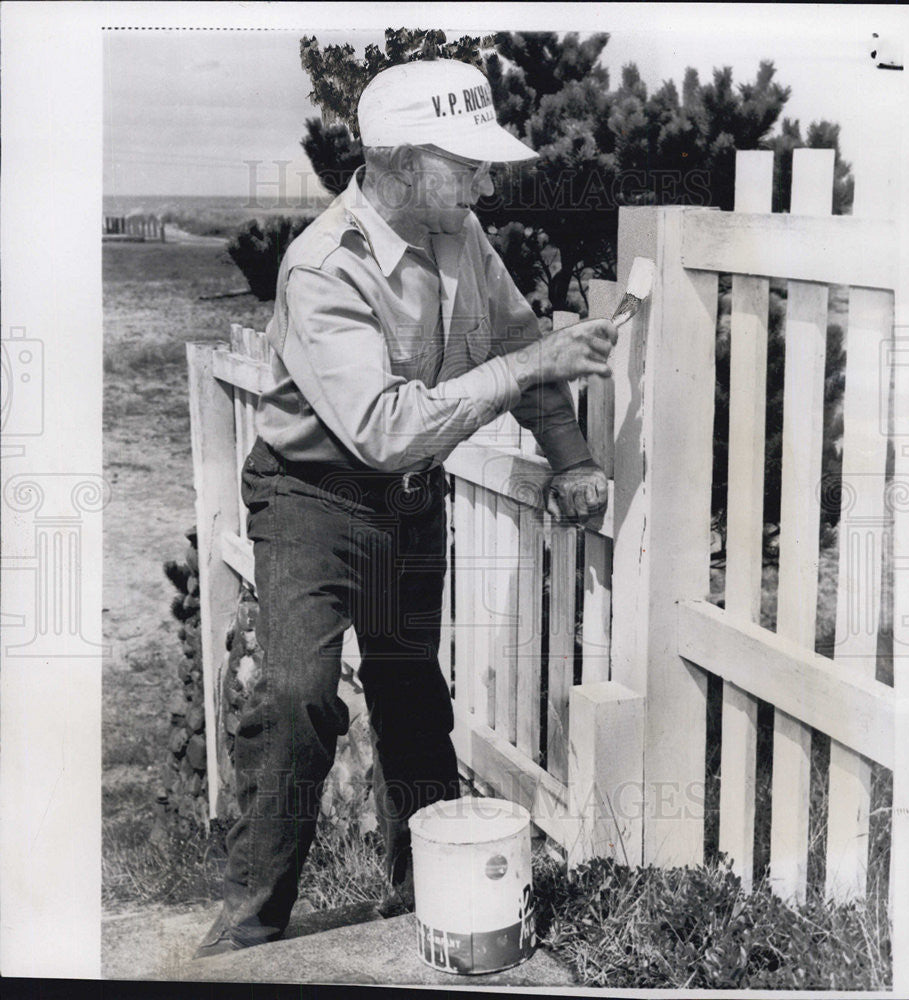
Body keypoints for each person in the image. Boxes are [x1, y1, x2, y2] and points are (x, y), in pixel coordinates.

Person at [195, 57, 616, 959]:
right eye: (465, 162)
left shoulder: (461, 234)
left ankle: (424, 908)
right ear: (399, 158)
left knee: (412, 700)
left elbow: (519, 345)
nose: (484, 180)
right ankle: (244, 936)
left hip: (407, 504)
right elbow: (385, 427)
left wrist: (572, 458)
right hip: (310, 499)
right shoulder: (320, 268)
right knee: (296, 698)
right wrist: (524, 370)